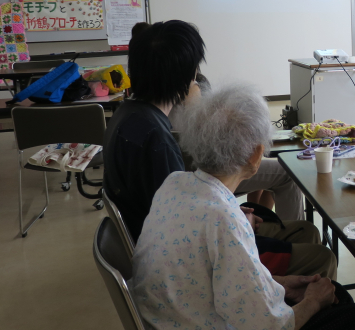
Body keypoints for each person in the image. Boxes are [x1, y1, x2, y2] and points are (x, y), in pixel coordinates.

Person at [128, 84, 355, 330]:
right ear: (255, 155)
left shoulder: (176, 185)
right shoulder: (224, 218)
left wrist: (283, 284)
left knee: (331, 294)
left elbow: (219, 281)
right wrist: (310, 302)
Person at [102, 20, 335, 278]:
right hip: (200, 261)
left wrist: (232, 211)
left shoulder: (128, 116)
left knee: (306, 231)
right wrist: (235, 221)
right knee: (321, 256)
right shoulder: (156, 139)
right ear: (187, 75)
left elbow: (185, 209)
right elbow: (182, 232)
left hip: (176, 244)